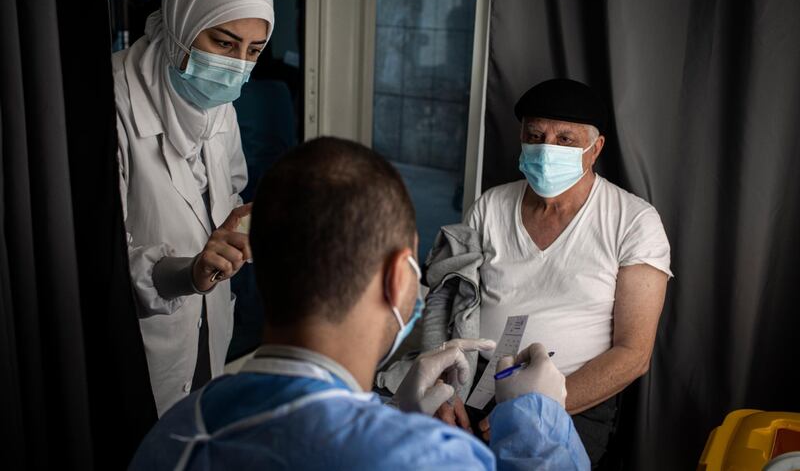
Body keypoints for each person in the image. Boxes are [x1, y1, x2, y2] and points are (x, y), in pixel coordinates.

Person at [129, 137, 589, 470]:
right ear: (397, 276)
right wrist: (540, 427)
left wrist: (394, 416)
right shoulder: (436, 460)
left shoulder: (174, 431)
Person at [427, 79, 672, 467]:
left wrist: (535, 410)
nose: (547, 149)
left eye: (565, 140)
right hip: (471, 387)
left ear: (596, 149)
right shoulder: (489, 206)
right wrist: (442, 391)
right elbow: (444, 299)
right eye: (535, 135)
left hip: (570, 400)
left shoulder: (634, 221)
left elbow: (633, 354)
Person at [113, 0, 274, 415]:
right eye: (224, 43)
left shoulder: (217, 103)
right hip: (142, 339)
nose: (237, 66)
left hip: (210, 324)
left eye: (253, 51)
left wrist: (245, 225)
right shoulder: (113, 103)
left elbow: (229, 194)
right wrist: (185, 273)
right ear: (183, 21)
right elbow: (90, 258)